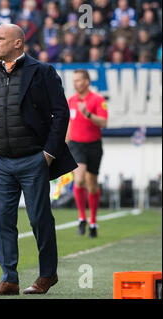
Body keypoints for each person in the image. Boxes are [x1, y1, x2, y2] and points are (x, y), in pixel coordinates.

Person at [0, 24, 77, 296]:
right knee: (1, 221)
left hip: (34, 159)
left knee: (39, 219)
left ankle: (47, 274)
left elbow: (61, 114)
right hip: (0, 162)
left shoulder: (42, 71)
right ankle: (9, 278)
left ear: (18, 43)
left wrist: (48, 154)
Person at [66, 69, 108, 238]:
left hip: (94, 146)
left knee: (92, 185)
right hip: (76, 146)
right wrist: (63, 144)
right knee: (79, 178)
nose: (76, 83)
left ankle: (93, 221)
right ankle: (82, 218)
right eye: (74, 80)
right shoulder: (71, 100)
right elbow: (69, 124)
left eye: (78, 80)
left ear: (87, 82)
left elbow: (104, 122)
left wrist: (88, 114)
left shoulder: (98, 99)